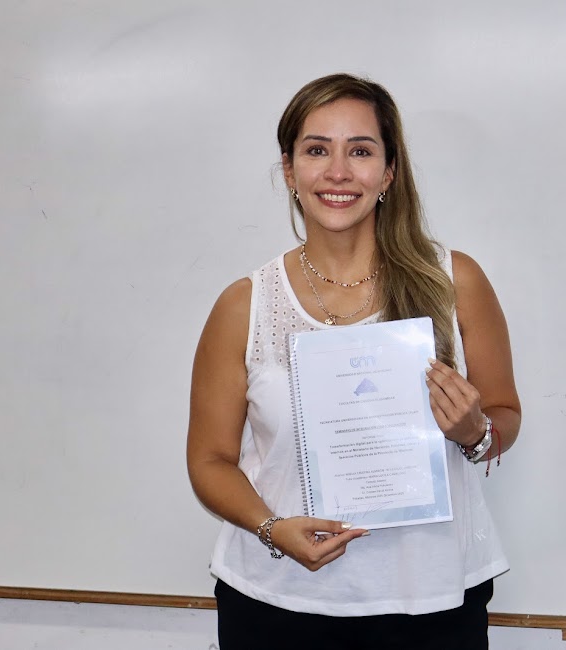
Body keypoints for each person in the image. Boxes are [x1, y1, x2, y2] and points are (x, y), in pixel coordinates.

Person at [186, 73, 521, 649]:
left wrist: (475, 432)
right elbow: (209, 460)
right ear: (289, 170)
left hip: (431, 598)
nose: (338, 172)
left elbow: (504, 415)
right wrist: (272, 528)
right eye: (317, 150)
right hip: (276, 602)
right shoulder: (246, 304)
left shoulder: (453, 281)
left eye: (360, 151)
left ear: (388, 172)